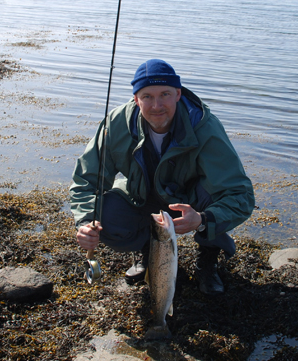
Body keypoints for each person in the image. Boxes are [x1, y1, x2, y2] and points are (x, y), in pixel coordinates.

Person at [70, 59, 254, 295]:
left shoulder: (204, 126)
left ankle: (208, 261)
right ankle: (149, 252)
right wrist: (86, 222)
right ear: (136, 99)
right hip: (142, 195)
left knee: (216, 198)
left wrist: (202, 219)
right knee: (104, 215)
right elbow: (87, 180)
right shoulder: (116, 124)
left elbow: (240, 194)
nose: (157, 105)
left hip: (191, 201)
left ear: (178, 94)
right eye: (147, 96)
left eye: (165, 94)